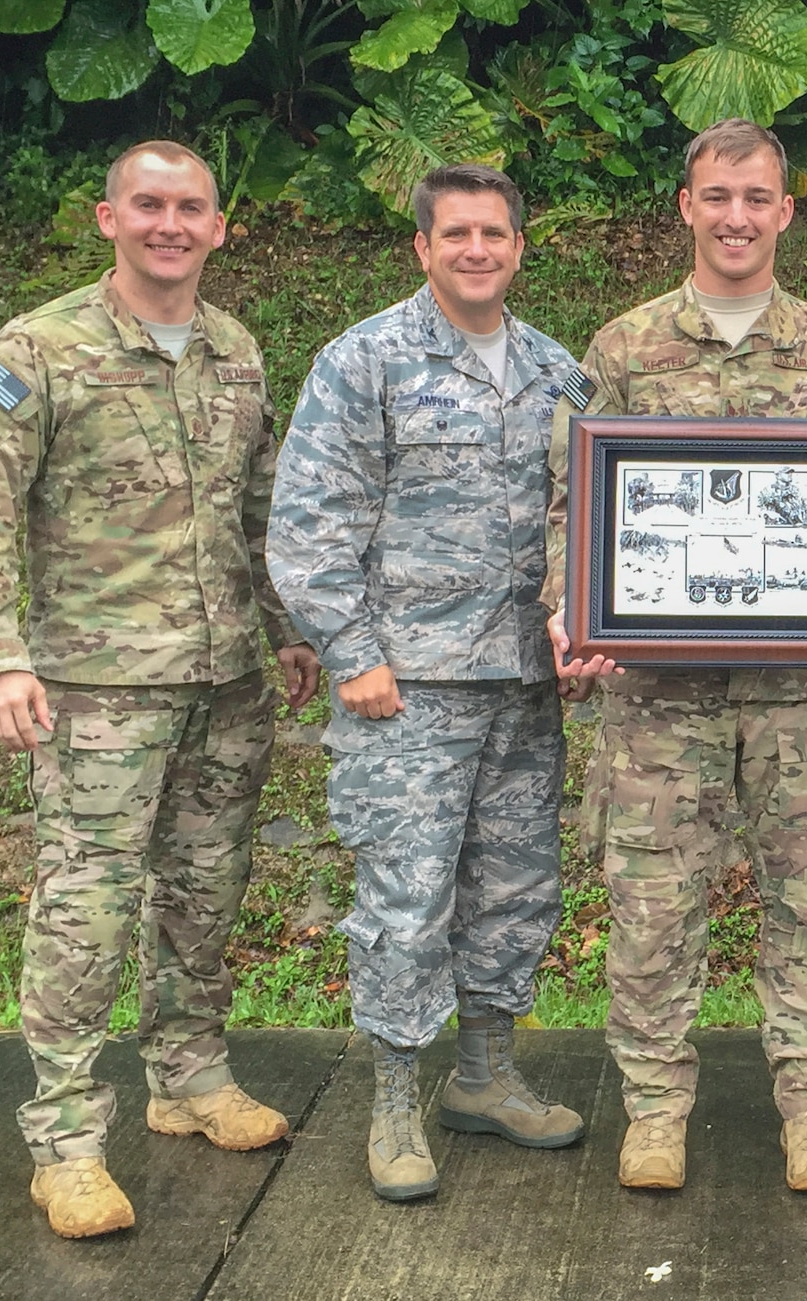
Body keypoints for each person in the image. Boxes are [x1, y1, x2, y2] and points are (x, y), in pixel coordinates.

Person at [0, 141, 319, 1239]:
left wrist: (288, 629)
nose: (170, 224)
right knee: (87, 905)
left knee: (204, 888)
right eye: (148, 205)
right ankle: (64, 1140)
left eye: (190, 208)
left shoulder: (235, 350)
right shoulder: (38, 349)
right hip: (98, 686)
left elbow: (259, 505)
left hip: (224, 677)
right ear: (108, 218)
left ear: (219, 227)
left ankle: (188, 1076)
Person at [546, 118, 807, 1193]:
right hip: (659, 700)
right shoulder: (621, 349)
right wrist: (572, 608)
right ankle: (655, 1111)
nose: (737, 216)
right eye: (717, 196)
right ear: (686, 206)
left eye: (757, 197)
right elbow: (572, 500)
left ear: (785, 211)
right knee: (651, 905)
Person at [269, 164, 591, 1203]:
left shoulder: (558, 372)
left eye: (494, 232)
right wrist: (352, 653)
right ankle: (395, 1099)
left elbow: (589, 519)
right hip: (407, 687)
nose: (476, 249)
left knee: (514, 887)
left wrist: (587, 627)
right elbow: (309, 521)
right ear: (422, 246)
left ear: (520, 246)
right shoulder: (364, 360)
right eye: (456, 233)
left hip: (524, 682)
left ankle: (484, 1075)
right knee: (407, 898)